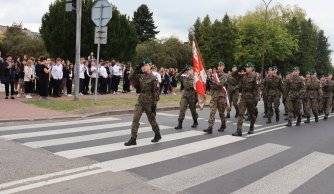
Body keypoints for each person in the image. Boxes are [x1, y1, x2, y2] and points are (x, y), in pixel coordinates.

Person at [124, 58, 161, 146]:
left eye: (146, 65)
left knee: (152, 120)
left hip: (149, 102)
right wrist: (136, 69)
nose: (144, 67)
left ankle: (157, 134)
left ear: (150, 66)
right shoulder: (141, 76)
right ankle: (133, 138)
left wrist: (154, 105)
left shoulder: (154, 78)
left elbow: (156, 93)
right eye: (143, 65)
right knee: (135, 119)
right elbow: (130, 78)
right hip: (141, 100)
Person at [232, 62, 259, 136]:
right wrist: (238, 68)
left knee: (251, 114)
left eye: (248, 67)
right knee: (241, 113)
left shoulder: (255, 76)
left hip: (251, 97)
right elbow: (234, 75)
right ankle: (239, 130)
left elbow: (257, 88)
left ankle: (251, 127)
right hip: (243, 97)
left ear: (251, 68)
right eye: (245, 67)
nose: (246, 68)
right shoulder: (243, 75)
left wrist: (257, 97)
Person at [203, 61, 228, 134]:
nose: (219, 67)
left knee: (221, 113)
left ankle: (223, 125)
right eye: (218, 66)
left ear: (223, 67)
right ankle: (210, 127)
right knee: (212, 111)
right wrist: (209, 82)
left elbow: (220, 84)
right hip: (214, 96)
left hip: (221, 96)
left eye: (221, 66)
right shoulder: (214, 75)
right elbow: (213, 86)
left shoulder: (225, 76)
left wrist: (213, 82)